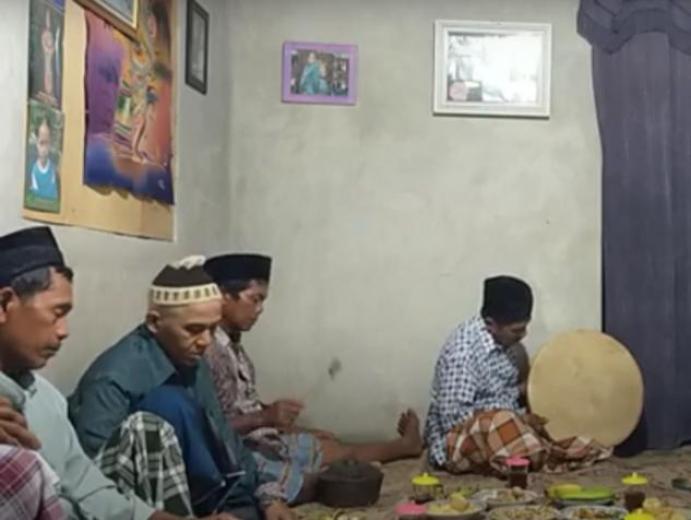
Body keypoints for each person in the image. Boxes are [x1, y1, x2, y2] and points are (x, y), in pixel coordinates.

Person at [0, 226, 233, 520]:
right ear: (4, 304)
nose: (64, 331)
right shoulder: (113, 376)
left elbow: (88, 486)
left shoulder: (46, 398)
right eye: (57, 313)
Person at [68, 256, 294, 520]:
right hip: (142, 508)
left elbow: (223, 436)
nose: (205, 341)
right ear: (154, 322)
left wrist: (267, 496)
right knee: (169, 403)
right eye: (194, 329)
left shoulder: (191, 360)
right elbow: (94, 483)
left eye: (212, 329)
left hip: (208, 494)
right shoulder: (113, 378)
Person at [203, 254, 424, 504]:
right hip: (236, 454)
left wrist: (284, 422)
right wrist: (265, 417)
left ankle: (405, 445)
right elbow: (209, 429)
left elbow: (243, 405)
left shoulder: (232, 347)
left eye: (263, 300)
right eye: (254, 299)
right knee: (321, 483)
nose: (260, 309)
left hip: (260, 438)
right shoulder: (208, 352)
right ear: (223, 296)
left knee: (332, 447)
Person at [424, 275, 611, 475]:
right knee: (504, 424)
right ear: (491, 324)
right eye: (517, 330)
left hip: (506, 426)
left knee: (570, 437)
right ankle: (539, 453)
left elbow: (503, 395)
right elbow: (455, 422)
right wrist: (515, 420)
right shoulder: (462, 353)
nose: (524, 335)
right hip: (459, 441)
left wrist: (529, 394)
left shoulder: (508, 345)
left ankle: (536, 450)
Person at [29, 118, 59, 201]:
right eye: (42, 143)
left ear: (50, 144)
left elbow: (54, 194)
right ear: (37, 144)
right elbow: (34, 196)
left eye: (47, 143)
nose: (44, 149)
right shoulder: (34, 171)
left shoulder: (53, 169)